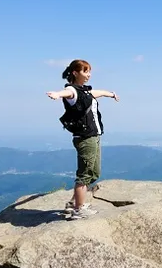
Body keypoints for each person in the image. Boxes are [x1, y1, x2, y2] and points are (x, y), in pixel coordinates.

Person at [46, 59, 119, 219]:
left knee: (94, 173)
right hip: (85, 138)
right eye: (85, 71)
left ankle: (74, 203)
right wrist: (57, 94)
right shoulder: (72, 90)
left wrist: (111, 94)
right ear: (75, 72)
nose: (89, 75)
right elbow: (67, 93)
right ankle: (78, 210)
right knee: (85, 174)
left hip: (94, 136)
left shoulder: (84, 91)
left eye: (89, 71)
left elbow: (98, 92)